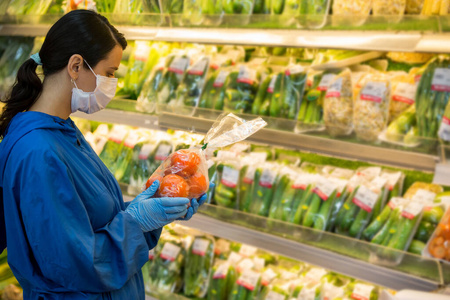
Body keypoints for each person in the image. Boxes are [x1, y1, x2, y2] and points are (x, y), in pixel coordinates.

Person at [0, 9, 207, 300]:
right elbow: (73, 262)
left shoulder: (62, 132)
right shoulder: (39, 151)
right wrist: (137, 222)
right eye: (109, 73)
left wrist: (155, 206)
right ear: (75, 66)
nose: (112, 84)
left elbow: (92, 218)